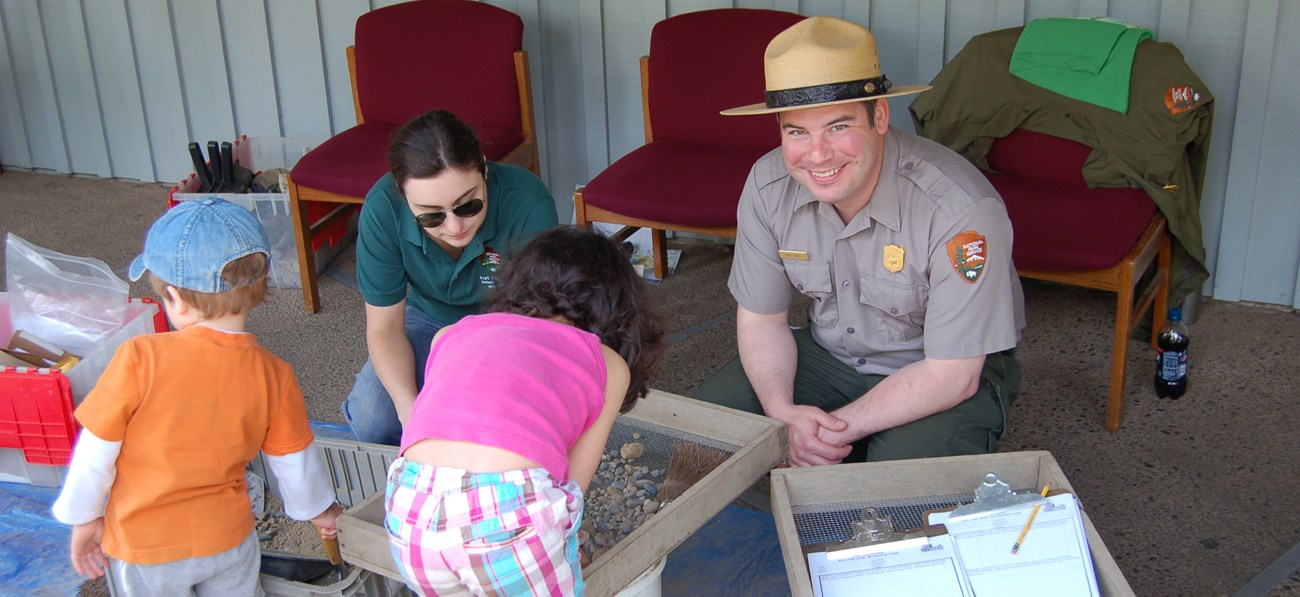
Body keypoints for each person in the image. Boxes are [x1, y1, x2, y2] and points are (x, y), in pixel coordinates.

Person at [697, 16, 1025, 466]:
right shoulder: (768, 185)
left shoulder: (959, 210)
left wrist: (826, 434)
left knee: (895, 493)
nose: (817, 155)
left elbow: (954, 375)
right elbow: (762, 321)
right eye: (796, 131)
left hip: (937, 367)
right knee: (704, 435)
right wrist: (783, 413)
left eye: (837, 126)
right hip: (830, 356)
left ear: (880, 116)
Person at [51, 198, 343, 595]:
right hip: (228, 540)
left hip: (145, 547)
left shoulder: (140, 357)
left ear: (176, 299)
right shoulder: (275, 374)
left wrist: (83, 518)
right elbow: (295, 464)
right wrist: (321, 511)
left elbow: (95, 452)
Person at [384, 227, 666, 596]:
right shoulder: (608, 363)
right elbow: (571, 489)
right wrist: (559, 552)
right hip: (508, 516)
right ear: (616, 311)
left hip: (409, 507)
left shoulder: (452, 333)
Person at [344, 109, 559, 445]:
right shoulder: (381, 208)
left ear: (485, 171)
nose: (455, 227)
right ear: (404, 197)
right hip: (427, 315)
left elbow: (537, 323)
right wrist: (410, 413)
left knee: (497, 424)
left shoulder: (528, 202)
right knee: (377, 422)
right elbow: (384, 327)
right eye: (432, 217)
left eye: (467, 205)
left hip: (506, 321)